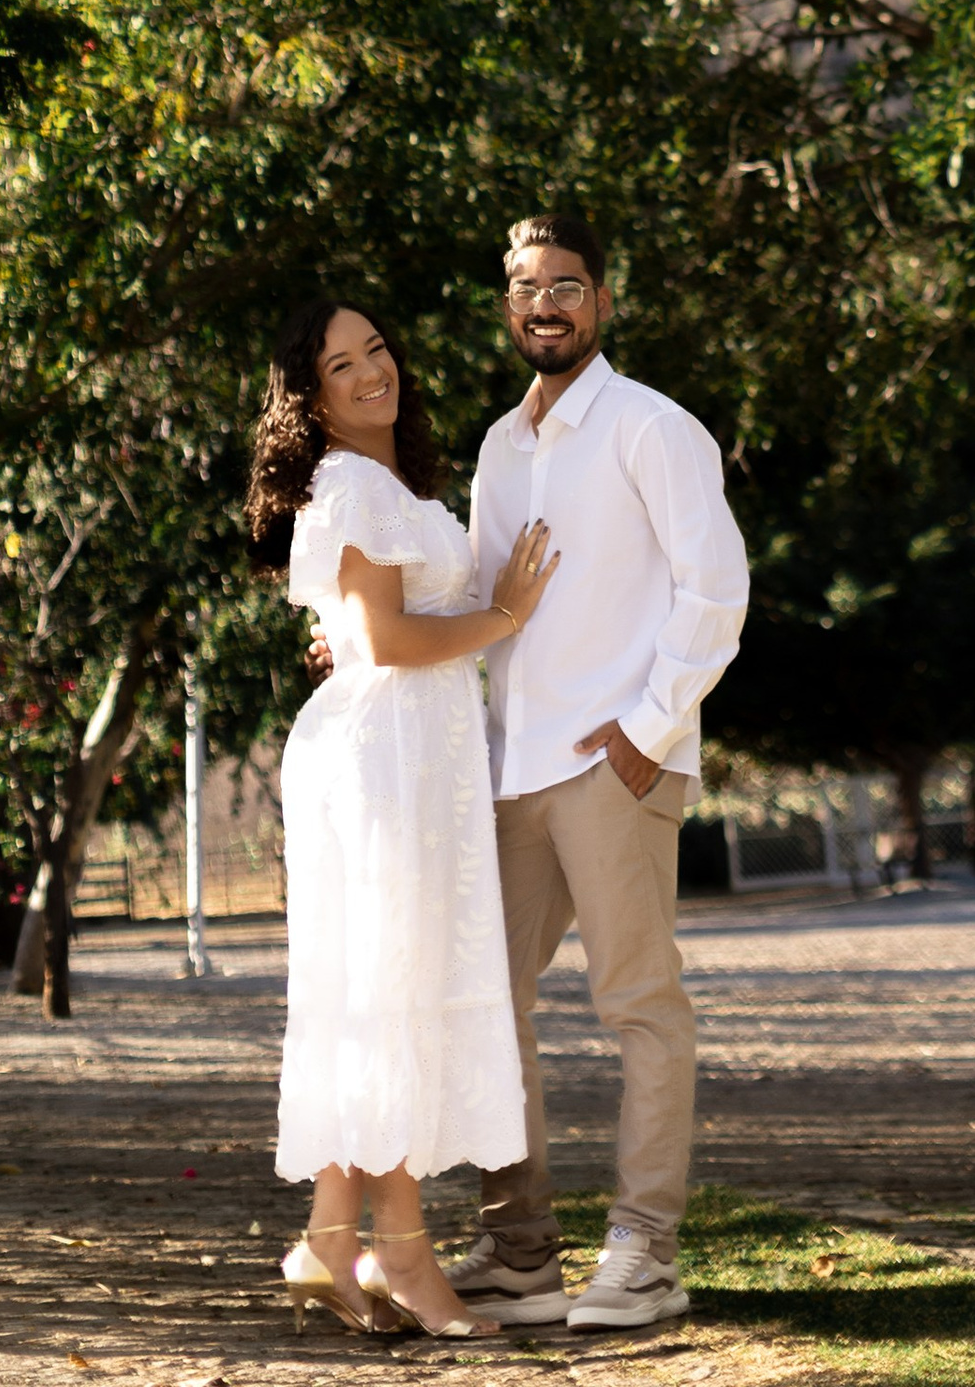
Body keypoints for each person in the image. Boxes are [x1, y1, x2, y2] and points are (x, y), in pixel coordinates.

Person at [448, 214, 750, 1334]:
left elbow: (715, 592)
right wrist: (360, 629)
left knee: (638, 1006)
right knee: (485, 1008)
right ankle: (522, 1250)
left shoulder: (651, 428)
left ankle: (646, 1250)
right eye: (526, 285)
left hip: (614, 764)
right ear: (507, 307)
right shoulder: (497, 447)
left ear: (602, 302)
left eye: (567, 285)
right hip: (511, 770)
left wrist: (645, 730)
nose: (546, 303)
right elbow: (483, 604)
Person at [245, 295, 560, 1340]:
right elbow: (384, 643)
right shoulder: (352, 486)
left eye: (376, 347)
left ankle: (334, 1241)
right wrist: (506, 612)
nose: (372, 370)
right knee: (389, 999)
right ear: (312, 397)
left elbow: (363, 630)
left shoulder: (380, 484)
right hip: (384, 762)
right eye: (341, 364)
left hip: (406, 755)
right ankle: (404, 1256)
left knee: (387, 998)